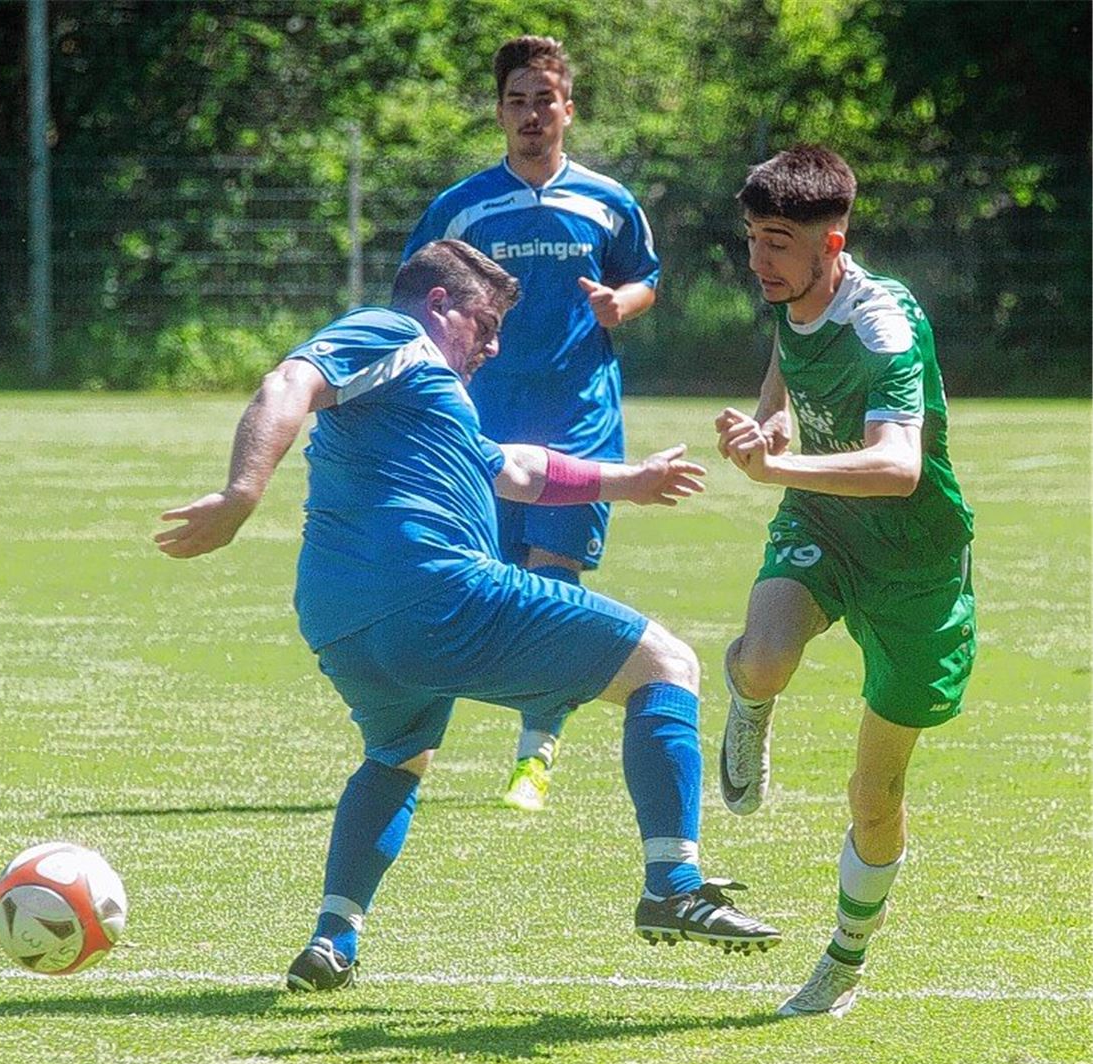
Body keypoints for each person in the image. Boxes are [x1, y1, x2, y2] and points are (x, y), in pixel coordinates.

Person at [155, 238, 780, 991]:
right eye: (484, 326)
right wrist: (241, 493)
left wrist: (631, 481)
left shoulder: (424, 398)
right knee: (667, 664)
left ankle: (333, 938)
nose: (491, 347)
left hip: (344, 622)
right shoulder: (391, 335)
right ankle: (673, 882)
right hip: (438, 590)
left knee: (398, 757)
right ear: (440, 303)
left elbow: (513, 468)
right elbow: (288, 380)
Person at [714, 145, 976, 1018]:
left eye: (777, 242)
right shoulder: (791, 294)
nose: (758, 260)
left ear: (835, 242)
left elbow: (901, 466)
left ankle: (844, 959)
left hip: (917, 563)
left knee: (875, 795)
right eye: (752, 237)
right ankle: (749, 706)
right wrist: (765, 430)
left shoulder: (885, 325)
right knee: (762, 659)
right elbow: (787, 366)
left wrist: (776, 467)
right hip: (824, 520)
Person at [402, 36, 660, 812]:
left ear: (568, 109)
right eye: (517, 100)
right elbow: (417, 295)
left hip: (580, 418)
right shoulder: (464, 204)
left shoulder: (607, 201)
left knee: (553, 579)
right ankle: (409, 745)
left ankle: (534, 755)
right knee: (471, 581)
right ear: (500, 112)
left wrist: (624, 304)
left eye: (544, 99)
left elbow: (644, 276)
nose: (531, 115)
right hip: (482, 421)